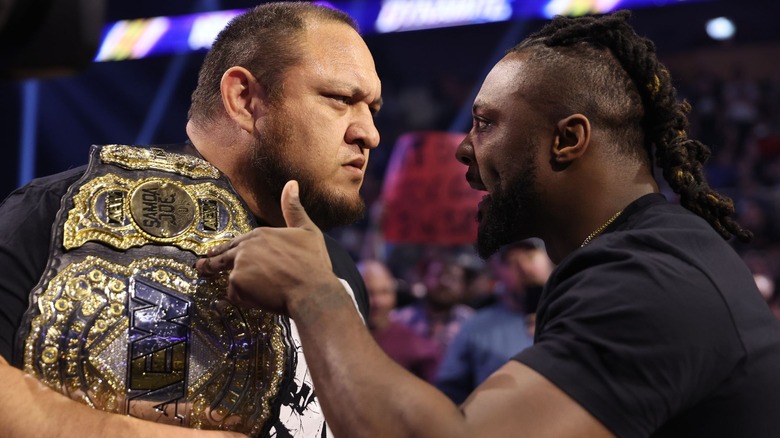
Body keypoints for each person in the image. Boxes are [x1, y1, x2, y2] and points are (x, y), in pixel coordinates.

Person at [197, 10, 780, 437]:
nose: (463, 150)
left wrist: (315, 292)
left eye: (486, 123)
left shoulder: (654, 279)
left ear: (567, 140)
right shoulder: (626, 259)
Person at [0, 2, 381, 437]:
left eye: (373, 109)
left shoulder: (339, 273)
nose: (369, 133)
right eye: (341, 99)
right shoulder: (65, 213)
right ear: (243, 99)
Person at [435, 239, 552, 403]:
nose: (524, 268)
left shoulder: (575, 314)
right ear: (496, 272)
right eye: (511, 262)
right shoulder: (474, 327)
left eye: (530, 256)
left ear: (549, 258)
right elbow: (449, 393)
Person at [358, 259, 439, 382]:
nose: (378, 302)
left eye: (384, 292)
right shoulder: (335, 339)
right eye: (369, 293)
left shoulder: (416, 346)